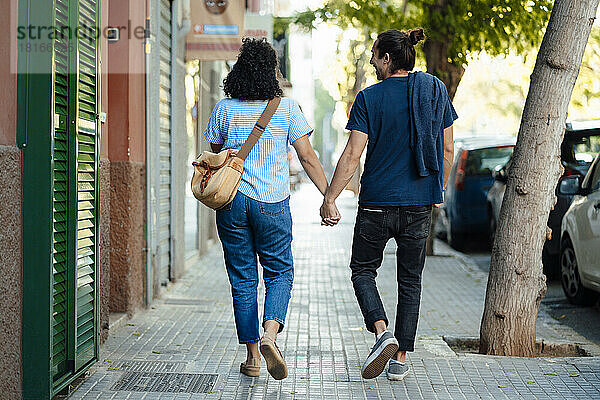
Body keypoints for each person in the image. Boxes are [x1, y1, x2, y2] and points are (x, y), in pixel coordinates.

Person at [320, 28, 457, 381]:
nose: (371, 60)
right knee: (410, 281)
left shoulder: (368, 99)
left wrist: (330, 197)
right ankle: (400, 359)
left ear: (387, 59)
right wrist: (435, 192)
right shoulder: (435, 91)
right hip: (419, 203)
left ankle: (383, 333)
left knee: (363, 270)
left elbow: (353, 153)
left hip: (377, 203)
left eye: (374, 55)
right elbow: (447, 151)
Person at [204, 38, 338, 380]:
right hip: (272, 204)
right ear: (271, 72)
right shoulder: (286, 108)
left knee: (243, 278)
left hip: (231, 203)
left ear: (238, 71)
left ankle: (252, 358)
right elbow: (308, 157)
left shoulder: (224, 108)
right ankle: (270, 334)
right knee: (279, 272)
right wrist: (329, 197)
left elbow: (216, 153)